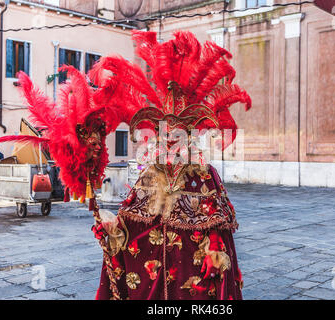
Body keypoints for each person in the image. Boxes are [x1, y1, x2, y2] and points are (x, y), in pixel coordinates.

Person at [91, 30, 252, 300]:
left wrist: (214, 247)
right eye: (165, 134)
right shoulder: (150, 174)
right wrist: (111, 230)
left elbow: (216, 224)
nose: (170, 141)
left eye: (177, 135)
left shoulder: (204, 175)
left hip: (192, 275)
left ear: (190, 136)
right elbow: (132, 222)